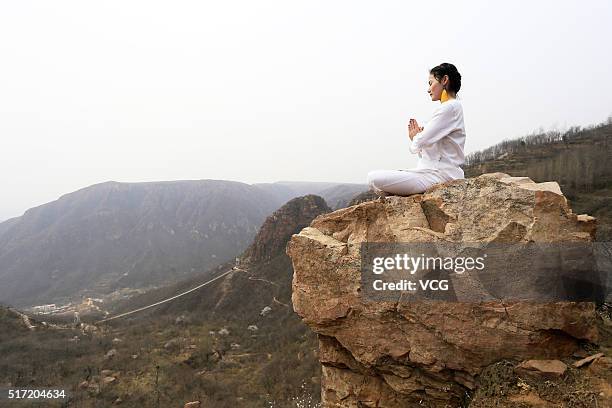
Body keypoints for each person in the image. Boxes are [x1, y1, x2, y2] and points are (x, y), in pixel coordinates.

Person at [367, 63, 466, 196]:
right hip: (432, 172)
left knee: (373, 178)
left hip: (439, 175)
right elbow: (426, 145)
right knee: (377, 180)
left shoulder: (450, 107)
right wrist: (420, 139)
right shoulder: (450, 108)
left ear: (444, 80)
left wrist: (415, 138)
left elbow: (421, 141)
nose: (428, 89)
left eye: (431, 83)